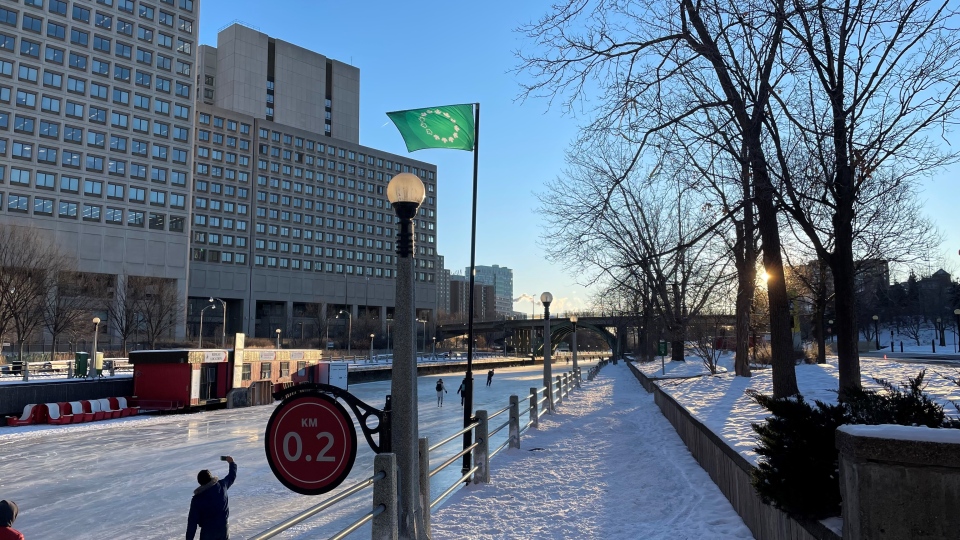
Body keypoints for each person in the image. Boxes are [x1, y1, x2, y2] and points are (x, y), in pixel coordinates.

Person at [187, 456, 237, 540]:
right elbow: (231, 476)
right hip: (223, 528)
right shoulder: (222, 486)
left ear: (200, 482)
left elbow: (192, 522)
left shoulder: (197, 499)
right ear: (211, 478)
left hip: (208, 532)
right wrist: (232, 463)